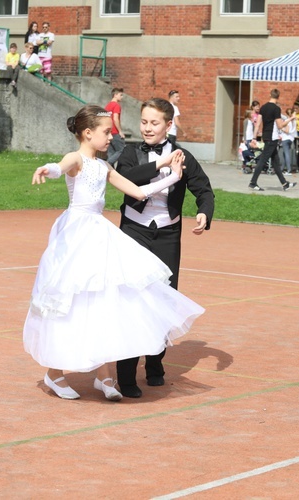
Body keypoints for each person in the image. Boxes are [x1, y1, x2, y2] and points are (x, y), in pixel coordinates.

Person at [24, 104, 204, 401]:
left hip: (100, 234)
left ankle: (104, 376)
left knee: (105, 300)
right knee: (76, 301)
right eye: (107, 132)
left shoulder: (105, 167)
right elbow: (63, 164)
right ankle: (55, 373)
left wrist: (173, 175)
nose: (112, 137)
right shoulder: (78, 160)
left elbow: (140, 192)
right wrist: (49, 169)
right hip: (77, 236)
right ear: (87, 133)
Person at [114, 98, 215, 398]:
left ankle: (155, 365)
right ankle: (126, 375)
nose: (147, 128)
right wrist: (160, 163)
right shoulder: (130, 153)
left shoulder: (185, 156)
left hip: (168, 236)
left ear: (168, 125)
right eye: (144, 122)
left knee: (162, 300)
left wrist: (204, 212)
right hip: (133, 231)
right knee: (131, 301)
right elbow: (127, 179)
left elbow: (204, 189)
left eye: (154, 122)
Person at [248, 89, 297, 191]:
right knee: (263, 160)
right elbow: (280, 126)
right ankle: (253, 182)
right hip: (272, 138)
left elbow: (257, 124)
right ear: (278, 97)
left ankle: (284, 184)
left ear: (270, 95)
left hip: (266, 136)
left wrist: (254, 138)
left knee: (275, 161)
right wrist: (290, 119)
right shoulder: (276, 109)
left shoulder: (263, 107)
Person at [105, 87, 126, 165]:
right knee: (122, 150)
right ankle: (107, 164)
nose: (122, 97)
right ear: (115, 95)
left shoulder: (107, 106)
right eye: (121, 95)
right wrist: (120, 131)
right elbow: (115, 119)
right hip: (115, 132)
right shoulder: (116, 105)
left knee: (111, 153)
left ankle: (110, 172)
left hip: (108, 133)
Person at [279, 107, 297, 175]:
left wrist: (281, 128)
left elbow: (287, 131)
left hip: (285, 138)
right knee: (284, 153)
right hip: (291, 138)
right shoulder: (294, 121)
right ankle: (282, 168)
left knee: (286, 154)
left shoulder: (287, 120)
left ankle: (289, 169)